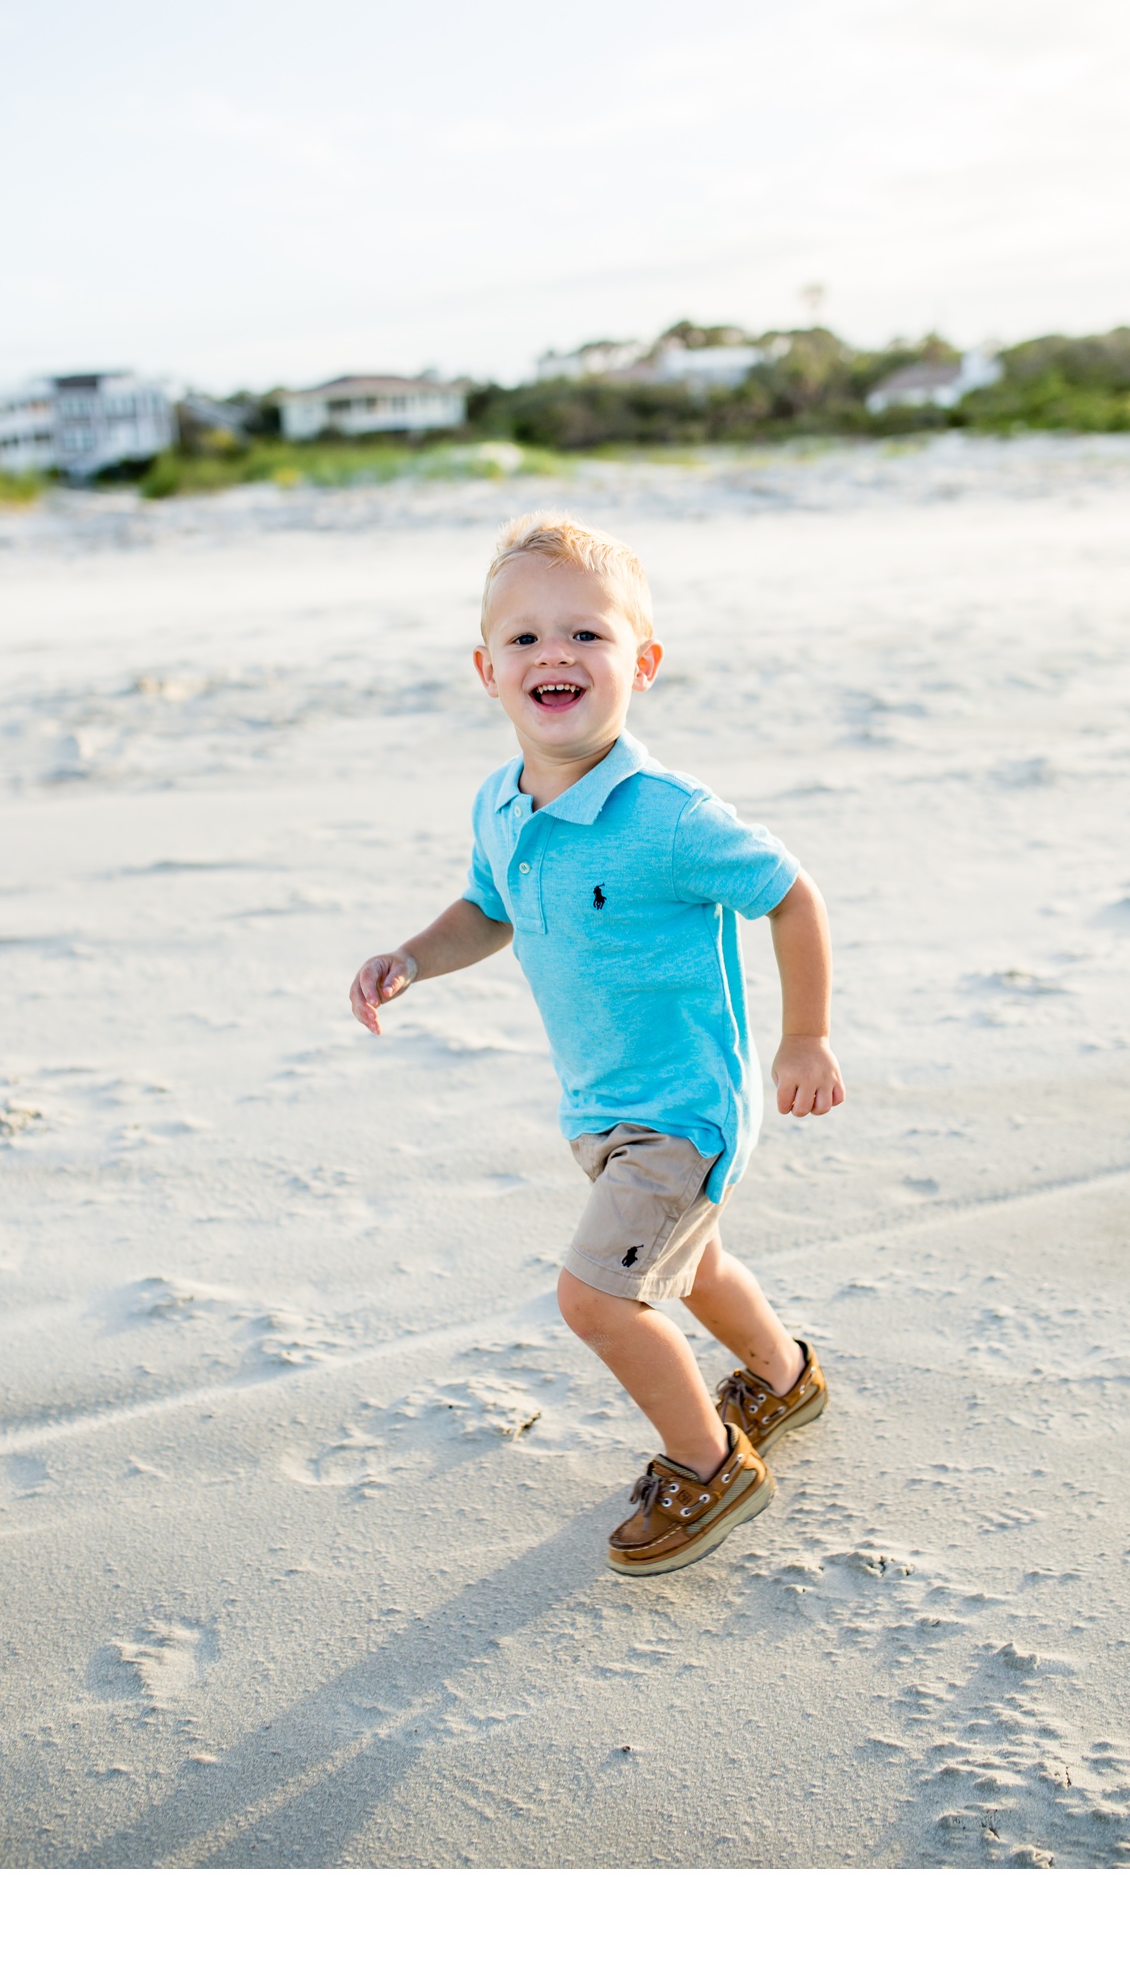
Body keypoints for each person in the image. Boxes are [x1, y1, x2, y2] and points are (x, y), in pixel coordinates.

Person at [349, 513, 845, 1575]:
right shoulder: (500, 802)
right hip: (599, 1101)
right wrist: (412, 957)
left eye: (586, 633)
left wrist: (804, 1036)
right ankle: (784, 1374)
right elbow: (488, 909)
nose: (554, 654)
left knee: (600, 1296)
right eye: (524, 639)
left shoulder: (668, 815)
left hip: (685, 1105)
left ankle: (712, 1464)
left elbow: (790, 892)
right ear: (488, 670)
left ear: (642, 662)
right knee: (692, 1259)